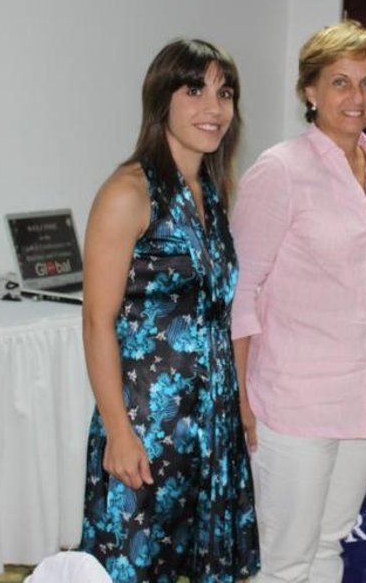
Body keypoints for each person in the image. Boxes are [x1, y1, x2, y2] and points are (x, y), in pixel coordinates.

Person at [230, 20, 366, 583]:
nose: (356, 96)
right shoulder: (280, 170)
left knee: (330, 544)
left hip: (363, 396)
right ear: (309, 91)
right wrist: (239, 398)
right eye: (340, 82)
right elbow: (242, 291)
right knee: (285, 559)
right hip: (292, 401)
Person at [79, 39, 259, 583]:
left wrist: (238, 406)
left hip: (211, 422)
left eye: (224, 93)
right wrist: (118, 431)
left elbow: (217, 313)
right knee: (133, 567)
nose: (214, 108)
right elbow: (97, 321)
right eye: (195, 90)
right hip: (147, 424)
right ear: (162, 100)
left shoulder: (212, 192)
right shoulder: (128, 193)